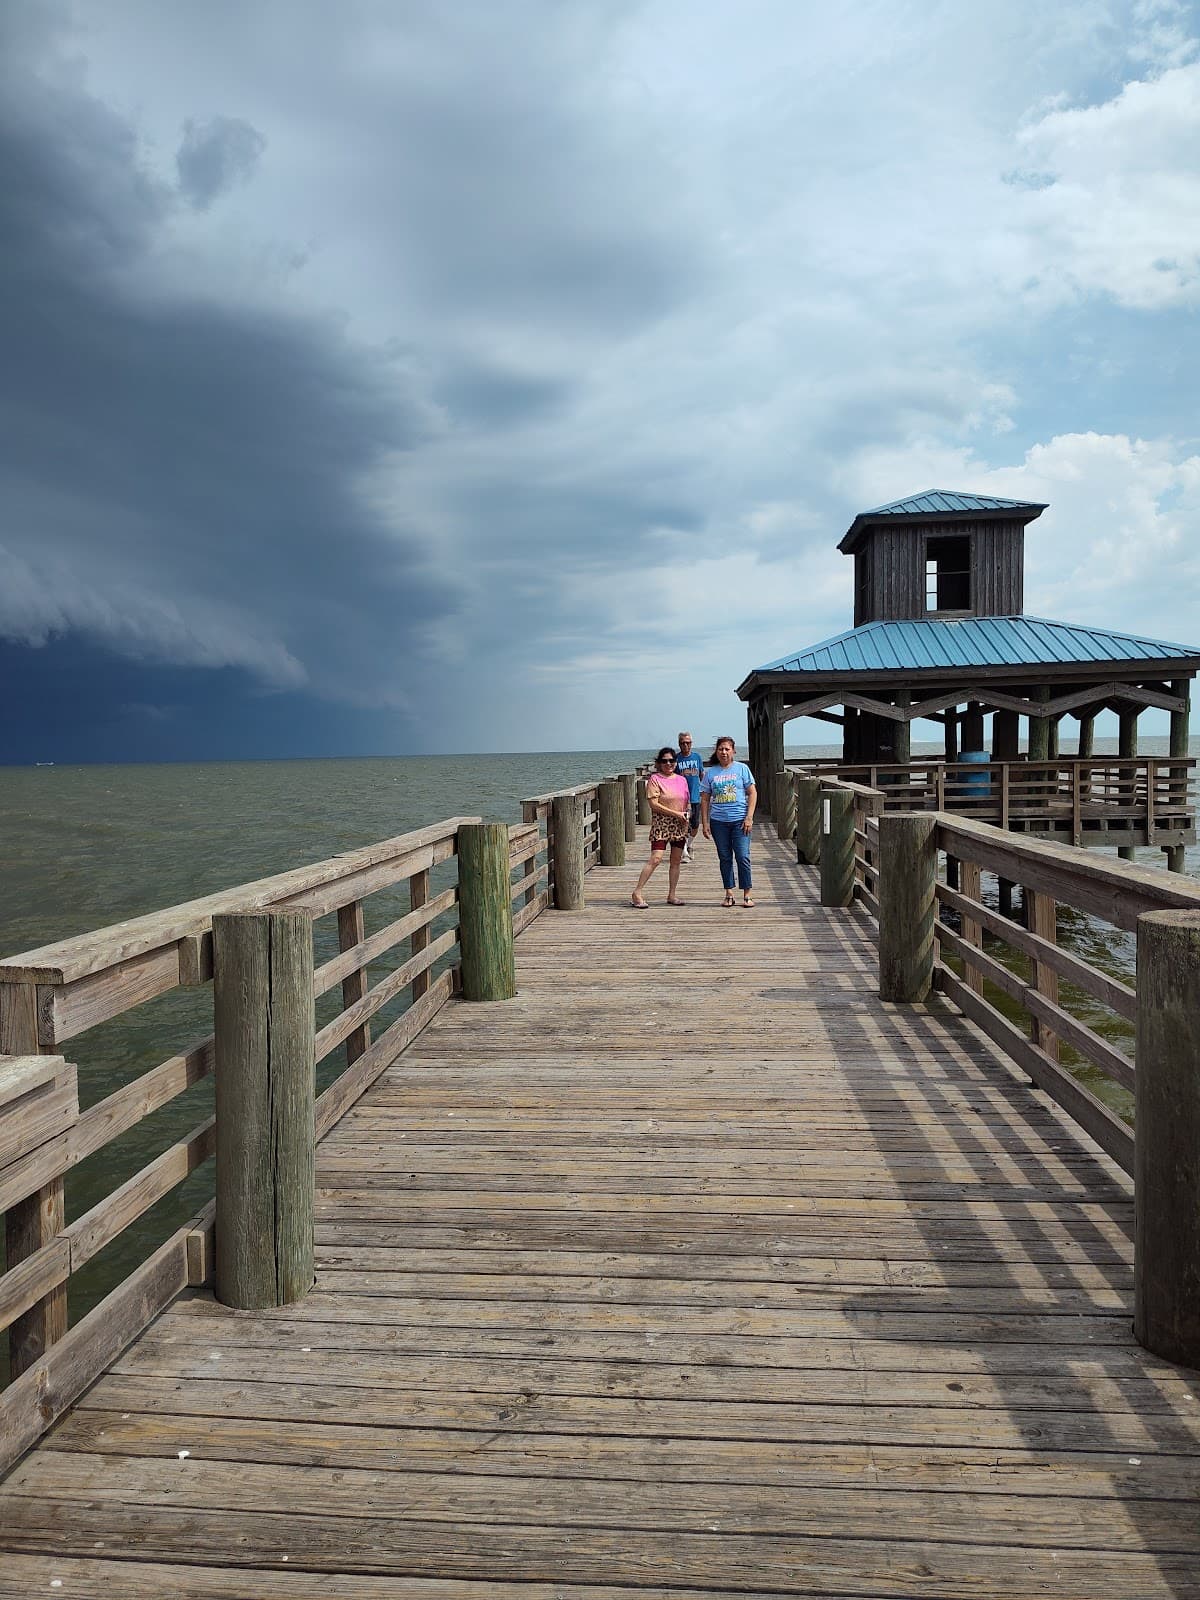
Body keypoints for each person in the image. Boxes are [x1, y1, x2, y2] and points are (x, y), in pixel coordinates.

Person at [700, 736, 757, 907]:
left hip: (740, 821)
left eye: (727, 749)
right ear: (716, 752)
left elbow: (752, 793)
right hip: (718, 822)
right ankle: (729, 893)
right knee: (725, 857)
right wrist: (705, 823)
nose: (724, 752)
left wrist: (749, 817)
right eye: (720, 749)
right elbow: (705, 799)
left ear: (733, 751)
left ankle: (747, 894)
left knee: (742, 856)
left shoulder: (742, 769)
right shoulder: (710, 773)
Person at [631, 747, 690, 908]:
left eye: (672, 760)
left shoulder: (682, 780)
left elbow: (686, 800)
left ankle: (672, 895)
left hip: (679, 824)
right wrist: (675, 813)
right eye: (664, 761)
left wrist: (686, 815)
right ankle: (637, 892)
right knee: (656, 858)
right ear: (659, 763)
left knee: (676, 860)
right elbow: (654, 804)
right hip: (661, 824)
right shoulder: (655, 779)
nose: (668, 763)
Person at [674, 731, 704, 863]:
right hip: (681, 798)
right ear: (679, 744)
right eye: (683, 743)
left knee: (695, 825)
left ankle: (689, 844)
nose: (685, 745)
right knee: (683, 824)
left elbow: (702, 774)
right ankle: (684, 851)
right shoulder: (676, 759)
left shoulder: (697, 757)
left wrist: (705, 790)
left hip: (695, 797)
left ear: (691, 743)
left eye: (688, 742)